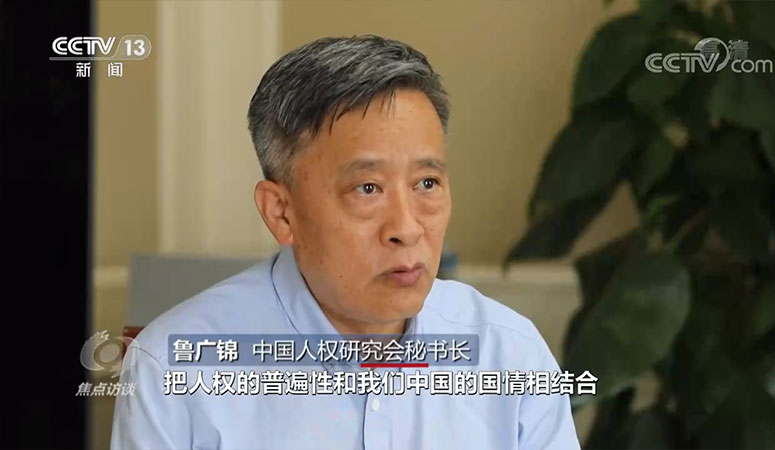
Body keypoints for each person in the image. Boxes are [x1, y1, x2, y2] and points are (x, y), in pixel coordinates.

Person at [111, 34, 581, 449]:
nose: (407, 228)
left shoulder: (509, 354)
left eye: (427, 184)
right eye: (367, 188)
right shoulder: (173, 368)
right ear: (281, 212)